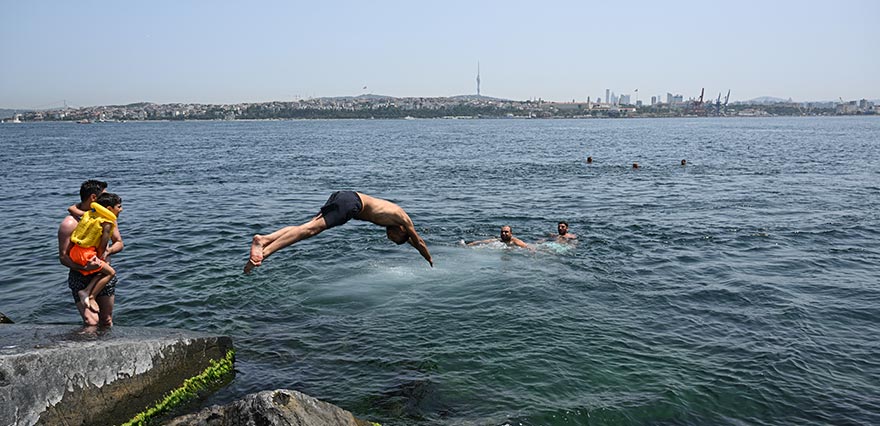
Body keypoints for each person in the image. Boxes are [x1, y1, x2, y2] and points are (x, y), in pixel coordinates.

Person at [245, 191, 433, 273]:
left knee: (307, 226)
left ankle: (264, 239)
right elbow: (418, 242)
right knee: (310, 230)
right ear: (403, 231)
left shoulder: (395, 219)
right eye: (396, 239)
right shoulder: (404, 220)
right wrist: (429, 259)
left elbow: (411, 241)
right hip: (351, 204)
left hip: (346, 197)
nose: (390, 238)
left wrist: (414, 245)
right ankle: (265, 252)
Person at [58, 180, 124, 326]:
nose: (109, 198)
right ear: (94, 198)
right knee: (91, 321)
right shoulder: (69, 224)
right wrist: (84, 268)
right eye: (105, 195)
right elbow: (63, 257)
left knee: (106, 320)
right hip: (80, 276)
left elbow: (119, 242)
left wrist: (109, 250)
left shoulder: (107, 217)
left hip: (103, 273)